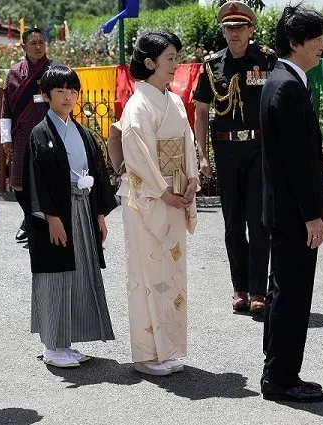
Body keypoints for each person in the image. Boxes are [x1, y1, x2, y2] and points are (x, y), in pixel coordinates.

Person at [259, 5, 323, 403]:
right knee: (292, 295)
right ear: (295, 42)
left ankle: (278, 369)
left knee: (282, 293)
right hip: (293, 215)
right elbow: (292, 157)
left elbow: (294, 155)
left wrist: (317, 182)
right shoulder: (287, 85)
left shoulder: (283, 80)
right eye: (317, 37)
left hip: (285, 208)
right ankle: (281, 377)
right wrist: (312, 213)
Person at [23, 66, 117, 368]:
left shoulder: (83, 133)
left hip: (83, 208)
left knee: (79, 275)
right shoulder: (40, 134)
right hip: (56, 214)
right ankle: (52, 345)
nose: (68, 96)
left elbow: (99, 174)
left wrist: (99, 214)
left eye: (72, 90)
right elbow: (34, 179)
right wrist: (50, 217)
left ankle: (66, 342)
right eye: (60, 91)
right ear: (46, 95)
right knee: (56, 278)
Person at [118, 31, 199, 376]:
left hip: (176, 193)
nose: (176, 65)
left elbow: (188, 145)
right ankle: (147, 354)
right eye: (170, 59)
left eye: (177, 58)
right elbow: (137, 158)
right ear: (149, 63)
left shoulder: (175, 102)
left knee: (173, 274)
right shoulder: (138, 105)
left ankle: (169, 349)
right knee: (147, 274)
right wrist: (163, 192)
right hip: (147, 199)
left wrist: (191, 180)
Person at [193, 0, 276, 315]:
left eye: (240, 27)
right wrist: (203, 156)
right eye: (229, 28)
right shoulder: (212, 65)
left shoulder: (267, 60)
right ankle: (239, 288)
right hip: (226, 150)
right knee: (232, 224)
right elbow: (201, 112)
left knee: (258, 220)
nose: (234, 33)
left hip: (259, 150)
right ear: (223, 31)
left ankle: (259, 291)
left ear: (251, 30)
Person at [1, 27, 54, 244]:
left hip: (48, 134)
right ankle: (28, 219)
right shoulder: (14, 73)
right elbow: (6, 108)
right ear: (23, 46)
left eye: (41, 42)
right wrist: (6, 137)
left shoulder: (53, 71)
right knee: (19, 183)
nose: (38, 46)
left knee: (45, 180)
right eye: (33, 43)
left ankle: (42, 222)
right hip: (22, 134)